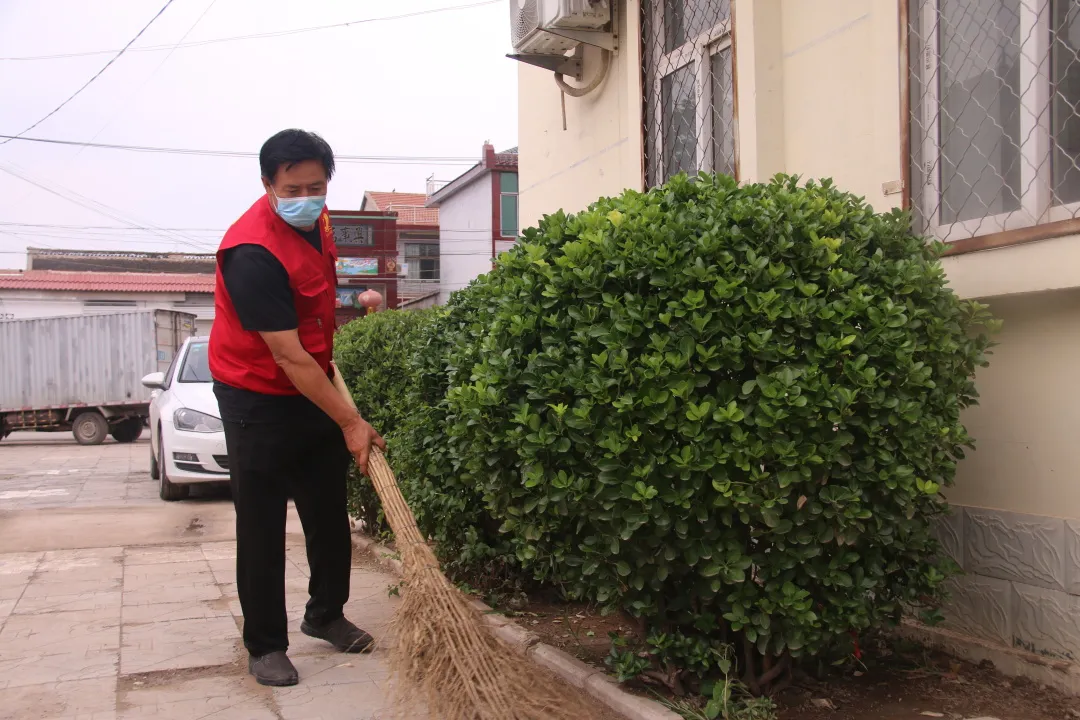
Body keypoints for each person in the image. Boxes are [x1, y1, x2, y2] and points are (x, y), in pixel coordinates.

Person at [208, 128, 385, 687]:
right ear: (268, 185)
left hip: (313, 382)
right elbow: (285, 355)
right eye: (294, 188)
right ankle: (265, 644)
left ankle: (325, 615)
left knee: (328, 511)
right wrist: (352, 421)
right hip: (254, 394)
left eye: (318, 186)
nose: (308, 197)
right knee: (261, 523)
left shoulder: (318, 219)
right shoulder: (250, 253)